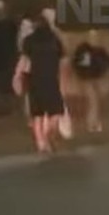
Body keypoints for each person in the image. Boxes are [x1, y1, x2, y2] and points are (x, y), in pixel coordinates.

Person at [12, 13, 65, 154]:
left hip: (34, 79)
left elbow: (24, 60)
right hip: (51, 79)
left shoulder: (29, 41)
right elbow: (62, 59)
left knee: (37, 114)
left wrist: (17, 76)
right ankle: (50, 131)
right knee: (56, 111)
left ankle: (41, 143)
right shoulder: (54, 40)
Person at [72, 30, 109, 132]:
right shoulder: (86, 51)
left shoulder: (96, 51)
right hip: (89, 79)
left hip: (94, 78)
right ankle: (92, 124)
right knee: (93, 102)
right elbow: (80, 66)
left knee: (95, 101)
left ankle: (94, 122)